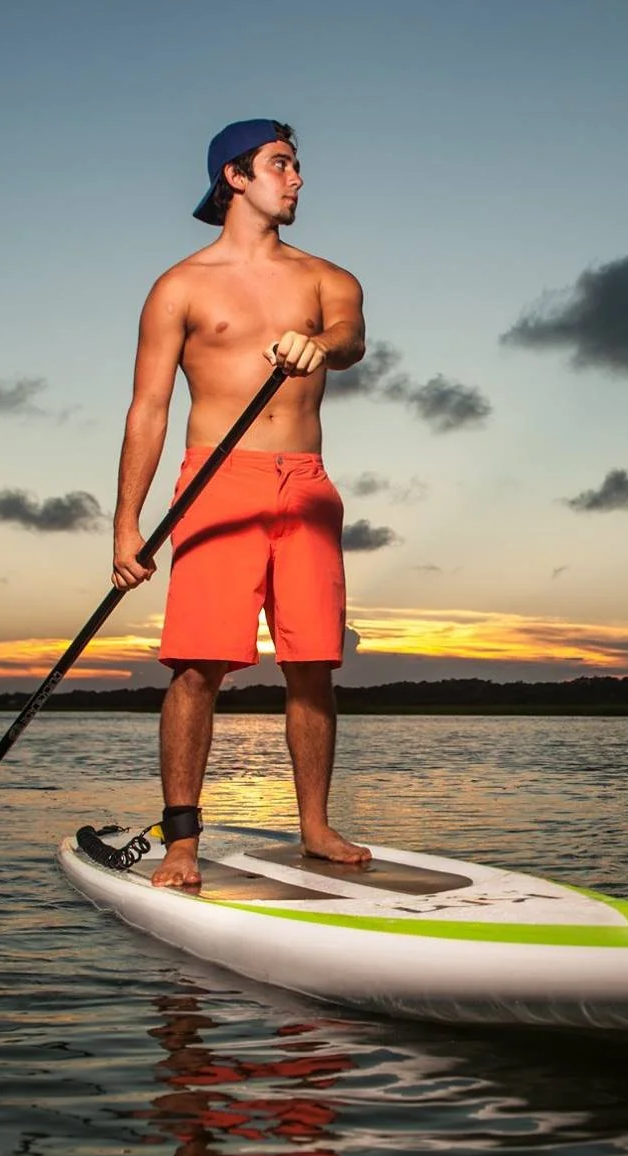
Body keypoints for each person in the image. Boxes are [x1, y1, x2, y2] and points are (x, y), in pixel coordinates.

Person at [112, 118, 370, 892]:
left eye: (296, 166)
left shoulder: (329, 279)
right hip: (217, 483)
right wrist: (127, 522)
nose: (296, 179)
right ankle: (183, 840)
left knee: (313, 664)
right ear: (235, 176)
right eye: (281, 164)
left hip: (305, 483)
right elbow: (148, 409)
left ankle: (315, 828)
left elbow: (352, 337)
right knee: (198, 665)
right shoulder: (180, 286)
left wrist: (321, 346)